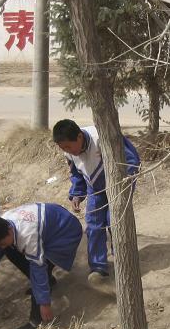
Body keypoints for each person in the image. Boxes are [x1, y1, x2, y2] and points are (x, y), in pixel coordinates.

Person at [52, 119, 139, 287]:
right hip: (94, 188)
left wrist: (124, 183)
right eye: (63, 148)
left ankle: (122, 259)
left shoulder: (101, 137)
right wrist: (77, 194)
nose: (67, 151)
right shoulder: (69, 152)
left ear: (79, 137)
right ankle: (98, 268)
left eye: (68, 146)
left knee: (115, 221)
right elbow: (77, 174)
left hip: (118, 185)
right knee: (93, 224)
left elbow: (131, 160)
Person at [0, 203, 84, 329]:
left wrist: (44, 303)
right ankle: (48, 282)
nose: (1, 246)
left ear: (10, 230)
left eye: (2, 243)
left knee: (39, 275)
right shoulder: (3, 223)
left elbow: (38, 269)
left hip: (65, 233)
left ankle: (35, 322)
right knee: (9, 250)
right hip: (51, 224)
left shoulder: (28, 234)